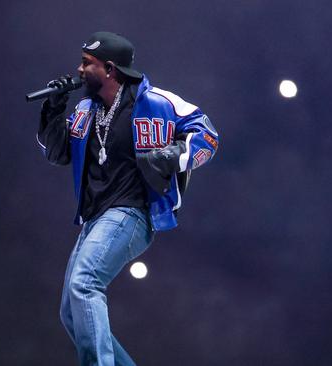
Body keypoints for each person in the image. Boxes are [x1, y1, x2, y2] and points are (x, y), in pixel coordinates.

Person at [36, 31, 219, 366]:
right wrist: (54, 105)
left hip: (132, 214)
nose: (78, 70)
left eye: (86, 64)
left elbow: (208, 136)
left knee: (84, 284)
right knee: (70, 313)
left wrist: (171, 155)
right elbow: (57, 152)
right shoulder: (85, 111)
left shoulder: (157, 102)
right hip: (95, 219)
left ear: (109, 69)